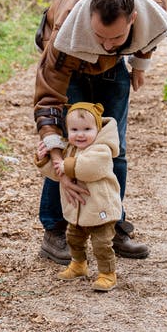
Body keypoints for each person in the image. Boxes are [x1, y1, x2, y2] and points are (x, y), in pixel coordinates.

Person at [34, 0, 167, 264]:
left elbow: (151, 33)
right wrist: (59, 160)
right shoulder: (64, 34)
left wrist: (140, 63)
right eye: (101, 37)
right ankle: (55, 229)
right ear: (88, 23)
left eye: (117, 37)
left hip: (113, 70)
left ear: (133, 18)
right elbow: (48, 99)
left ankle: (111, 223)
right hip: (71, 64)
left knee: (114, 147)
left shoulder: (152, 4)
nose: (109, 45)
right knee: (74, 143)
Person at [35, 102, 121, 292]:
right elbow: (57, 173)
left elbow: (90, 169)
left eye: (87, 129)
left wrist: (66, 166)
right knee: (73, 239)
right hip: (78, 211)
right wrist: (45, 160)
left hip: (100, 209)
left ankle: (107, 274)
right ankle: (78, 264)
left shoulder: (102, 150)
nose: (80, 134)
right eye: (74, 129)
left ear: (97, 129)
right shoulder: (69, 150)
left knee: (102, 244)